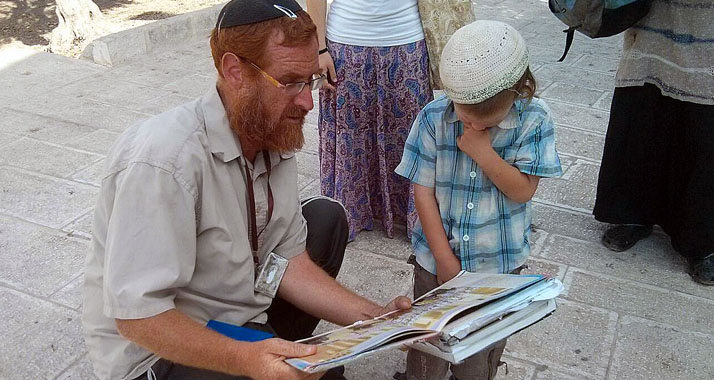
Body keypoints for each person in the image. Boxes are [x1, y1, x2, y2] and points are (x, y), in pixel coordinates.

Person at [81, 1, 411, 380]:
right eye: (290, 82)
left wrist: (377, 319)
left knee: (325, 218)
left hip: (231, 313)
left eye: (310, 80)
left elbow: (288, 261)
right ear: (234, 71)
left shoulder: (271, 131)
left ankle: (264, 340)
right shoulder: (163, 161)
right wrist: (245, 359)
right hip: (155, 352)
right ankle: (258, 348)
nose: (307, 102)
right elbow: (138, 318)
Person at [394, 21, 563, 380]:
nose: (469, 123)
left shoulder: (535, 120)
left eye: (486, 119)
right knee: (430, 340)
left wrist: (484, 153)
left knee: (480, 347)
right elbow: (422, 190)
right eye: (464, 112)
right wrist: (443, 258)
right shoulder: (432, 118)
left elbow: (523, 190)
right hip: (434, 261)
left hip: (498, 266)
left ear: (520, 90)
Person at [592, 1, 714, 286]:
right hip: (652, 24)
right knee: (644, 110)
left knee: (704, 129)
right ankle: (632, 212)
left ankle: (703, 238)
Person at [306, 0, 434, 241]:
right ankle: (349, 210)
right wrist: (319, 48)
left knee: (412, 135)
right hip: (345, 44)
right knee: (349, 137)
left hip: (407, 39)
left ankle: (417, 212)